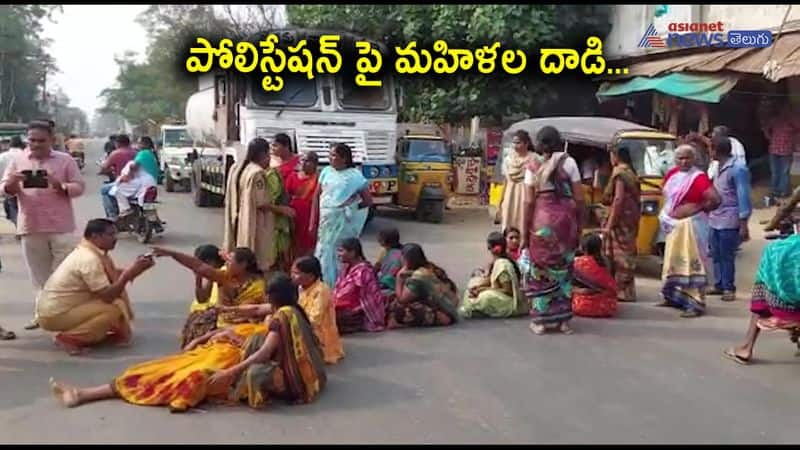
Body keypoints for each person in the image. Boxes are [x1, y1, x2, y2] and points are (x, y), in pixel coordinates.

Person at [49, 274, 327, 412]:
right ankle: (86, 393)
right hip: (226, 349)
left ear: (273, 296)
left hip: (231, 360)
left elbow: (264, 351)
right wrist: (221, 320)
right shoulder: (289, 310)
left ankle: (85, 395)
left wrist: (229, 371)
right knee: (164, 366)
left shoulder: (279, 319)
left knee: (172, 375)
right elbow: (255, 313)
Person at [0, 121, 85, 330]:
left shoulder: (65, 160)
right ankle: (42, 315)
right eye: (32, 140)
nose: (36, 144)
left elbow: (79, 187)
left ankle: (64, 316)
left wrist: (60, 185)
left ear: (52, 140)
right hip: (31, 226)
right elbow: (4, 189)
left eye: (41, 140)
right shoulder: (18, 160)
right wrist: (11, 183)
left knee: (63, 275)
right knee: (39, 277)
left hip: (60, 226)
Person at [36, 219, 154, 355]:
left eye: (115, 234)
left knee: (115, 305)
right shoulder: (89, 259)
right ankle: (68, 338)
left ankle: (91, 333)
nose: (115, 239)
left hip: (61, 309)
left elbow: (112, 275)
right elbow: (108, 296)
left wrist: (137, 269)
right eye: (110, 235)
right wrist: (129, 274)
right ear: (95, 236)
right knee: (113, 309)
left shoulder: (90, 252)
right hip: (54, 315)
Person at [521, 126, 583, 335]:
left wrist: (523, 234)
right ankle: (564, 321)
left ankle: (540, 321)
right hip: (565, 224)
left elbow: (529, 202)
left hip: (542, 224)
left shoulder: (532, 165)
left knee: (540, 271)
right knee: (564, 271)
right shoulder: (570, 162)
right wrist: (579, 226)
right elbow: (580, 199)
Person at [152, 246, 267, 347]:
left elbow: (245, 315)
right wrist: (172, 253)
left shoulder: (257, 287)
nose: (226, 263)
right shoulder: (226, 276)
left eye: (229, 261)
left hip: (240, 332)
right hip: (220, 326)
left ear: (243, 265)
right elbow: (198, 265)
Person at [658, 144, 721, 318]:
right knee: (674, 262)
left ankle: (695, 304)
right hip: (674, 226)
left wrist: (697, 207)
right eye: (680, 158)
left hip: (692, 227)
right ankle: (672, 296)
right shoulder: (672, 174)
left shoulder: (698, 178)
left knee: (693, 264)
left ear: (694, 159)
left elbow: (716, 199)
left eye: (687, 158)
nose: (684, 161)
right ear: (675, 160)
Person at [722, 232, 800, 365]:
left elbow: (785, 211)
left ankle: (746, 348)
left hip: (784, 300)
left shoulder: (780, 249)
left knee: (763, 287)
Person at [223, 138, 295, 272]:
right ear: (263, 155)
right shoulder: (257, 173)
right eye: (269, 155)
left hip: (237, 217)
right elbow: (261, 202)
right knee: (256, 254)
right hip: (253, 221)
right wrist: (282, 209)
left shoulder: (237, 167)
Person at [314, 143, 373, 286]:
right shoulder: (326, 171)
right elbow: (317, 195)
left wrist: (349, 209)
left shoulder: (355, 176)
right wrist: (312, 221)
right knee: (323, 250)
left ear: (344, 158)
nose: (330, 158)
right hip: (326, 221)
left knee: (339, 254)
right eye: (330, 154)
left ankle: (338, 287)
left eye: (334, 155)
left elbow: (367, 201)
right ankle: (323, 284)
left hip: (343, 225)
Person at [706, 136, 751, 303]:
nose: (709, 152)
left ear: (717, 150)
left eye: (711, 148)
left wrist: (743, 223)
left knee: (727, 255)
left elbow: (743, 196)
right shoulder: (717, 167)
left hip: (730, 217)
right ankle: (718, 284)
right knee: (715, 253)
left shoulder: (737, 169)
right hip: (715, 216)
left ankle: (728, 287)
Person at [601, 145, 640, 303]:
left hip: (621, 218)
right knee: (628, 249)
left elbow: (618, 199)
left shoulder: (620, 173)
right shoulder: (631, 172)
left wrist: (609, 225)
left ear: (615, 156)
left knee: (619, 253)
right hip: (631, 218)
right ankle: (626, 290)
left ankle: (620, 289)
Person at [387, 243, 459, 328]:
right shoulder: (430, 267)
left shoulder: (418, 276)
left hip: (446, 312)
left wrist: (399, 278)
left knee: (398, 309)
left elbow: (402, 299)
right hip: (450, 305)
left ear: (406, 259)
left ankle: (439, 318)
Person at [460, 231, 526, 319]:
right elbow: (491, 280)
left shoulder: (503, 265)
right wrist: (477, 288)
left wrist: (483, 289)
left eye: (489, 247)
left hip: (509, 301)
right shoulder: (496, 261)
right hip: (498, 292)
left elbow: (508, 291)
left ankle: (475, 310)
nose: (489, 250)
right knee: (472, 284)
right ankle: (476, 309)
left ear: (496, 249)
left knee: (486, 296)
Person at [291, 256, 344, 365]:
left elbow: (315, 319)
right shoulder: (301, 287)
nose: (293, 276)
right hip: (305, 325)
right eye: (292, 272)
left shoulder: (321, 290)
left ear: (310, 276)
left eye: (297, 273)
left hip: (319, 334)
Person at [333, 238, 385, 334]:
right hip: (344, 307)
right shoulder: (346, 267)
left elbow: (367, 299)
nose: (338, 255)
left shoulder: (363, 271)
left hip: (359, 312)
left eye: (341, 251)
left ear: (352, 253)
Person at [180, 245, 226, 348]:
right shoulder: (212, 276)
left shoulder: (223, 273)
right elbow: (202, 298)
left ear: (211, 262)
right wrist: (198, 278)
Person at [498, 130, 537, 233]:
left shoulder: (534, 159)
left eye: (518, 142)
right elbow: (506, 180)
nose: (515, 145)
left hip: (526, 194)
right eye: (514, 142)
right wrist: (501, 201)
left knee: (524, 221)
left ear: (526, 144)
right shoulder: (508, 159)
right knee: (508, 223)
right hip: (510, 195)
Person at [572, 233, 618, 318]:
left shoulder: (579, 262)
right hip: (608, 306)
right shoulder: (608, 261)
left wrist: (577, 290)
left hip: (582, 306)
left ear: (583, 248)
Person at [285, 151, 320, 257]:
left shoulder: (319, 178)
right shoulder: (293, 176)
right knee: (294, 244)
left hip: (312, 216)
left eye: (308, 161)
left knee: (310, 244)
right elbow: (286, 195)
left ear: (315, 164)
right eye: (302, 160)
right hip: (295, 215)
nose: (304, 163)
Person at [762, 105, 798, 200]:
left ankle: (777, 191)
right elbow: (766, 128)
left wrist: (770, 137)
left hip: (777, 149)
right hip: (782, 150)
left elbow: (765, 128)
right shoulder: (791, 120)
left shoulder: (776, 120)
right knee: (782, 172)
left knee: (778, 172)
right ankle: (782, 192)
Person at [100, 135, 137, 219]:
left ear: (118, 143)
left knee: (104, 190)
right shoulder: (136, 152)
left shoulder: (116, 153)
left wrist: (103, 171)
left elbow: (104, 167)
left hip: (124, 182)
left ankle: (112, 216)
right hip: (139, 183)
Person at [0, 136, 24, 226]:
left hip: (8, 188)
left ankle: (19, 226)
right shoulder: (26, 156)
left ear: (10, 144)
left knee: (13, 208)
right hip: (25, 188)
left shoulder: (2, 156)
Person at [375, 227, 404, 296]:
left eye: (380, 238)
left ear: (384, 241)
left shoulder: (400, 255)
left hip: (393, 284)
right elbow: (377, 266)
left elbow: (377, 267)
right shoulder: (384, 250)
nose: (377, 239)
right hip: (386, 280)